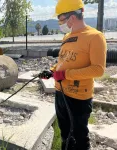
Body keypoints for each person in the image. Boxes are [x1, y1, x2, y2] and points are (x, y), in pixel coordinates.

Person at [40, 0, 107, 149]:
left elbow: (98, 69)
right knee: (65, 134)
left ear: (71, 17)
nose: (59, 22)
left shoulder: (95, 37)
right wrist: (52, 71)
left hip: (78, 98)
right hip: (61, 94)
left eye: (60, 18)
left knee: (79, 137)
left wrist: (65, 75)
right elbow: (63, 61)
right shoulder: (67, 37)